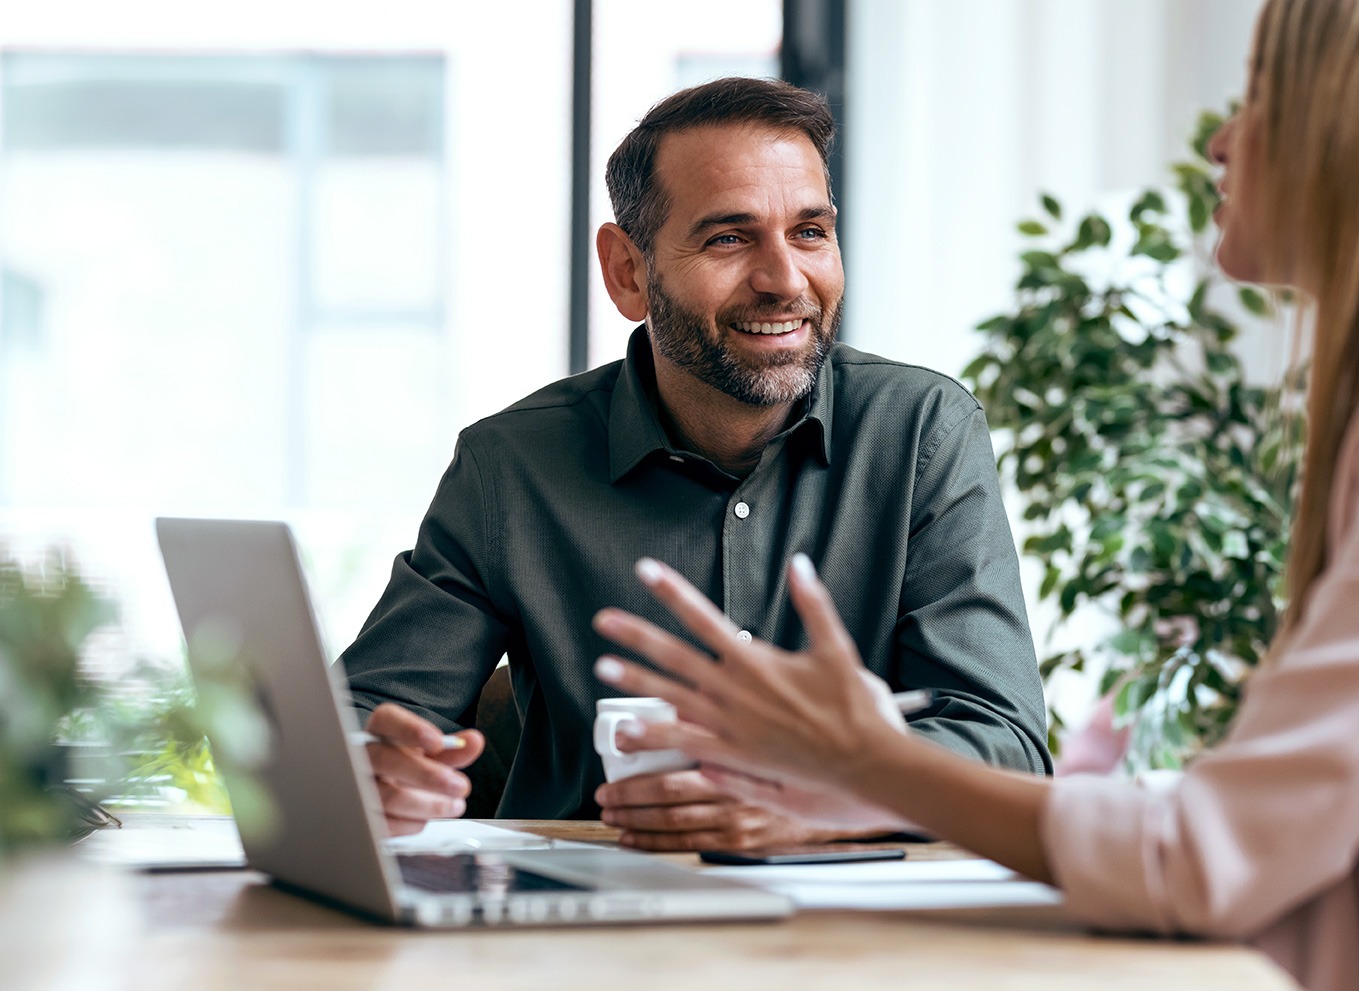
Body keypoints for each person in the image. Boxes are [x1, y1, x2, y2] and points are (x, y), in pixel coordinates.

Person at [590, 1, 1359, 991]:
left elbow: (1205, 858)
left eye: (1261, 96)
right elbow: (1261, 824)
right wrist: (867, 783)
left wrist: (872, 763)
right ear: (628, 270)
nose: (1221, 141)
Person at [340, 77, 1051, 852]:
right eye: (728, 239)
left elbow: (1004, 741)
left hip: (845, 907)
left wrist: (826, 800)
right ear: (627, 271)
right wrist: (374, 767)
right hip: (581, 896)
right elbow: (363, 714)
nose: (785, 280)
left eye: (809, 232)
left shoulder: (921, 433)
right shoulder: (510, 465)